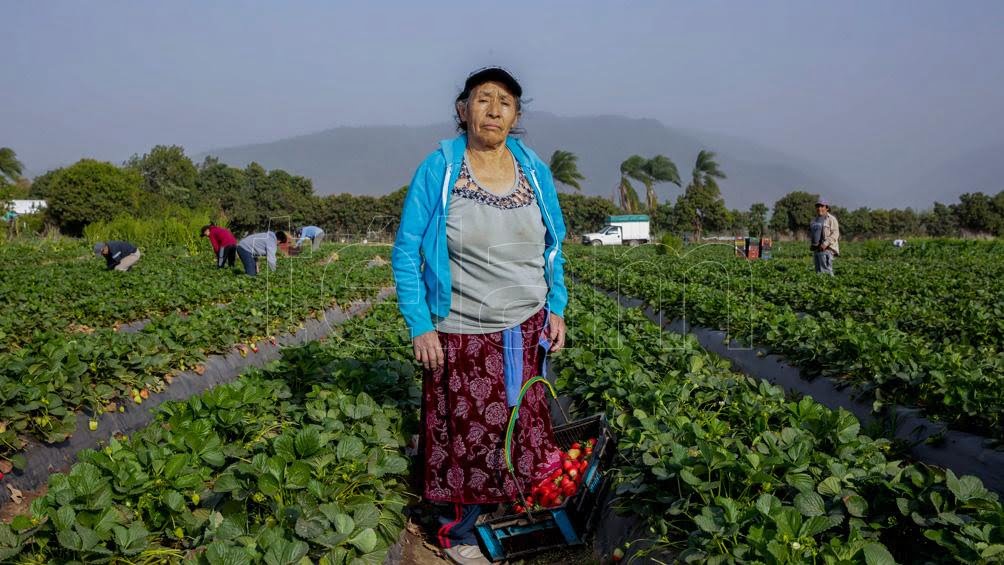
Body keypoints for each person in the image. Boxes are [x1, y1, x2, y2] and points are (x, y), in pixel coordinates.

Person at [391, 67, 568, 565]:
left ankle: (507, 507)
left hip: (526, 324)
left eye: (506, 102)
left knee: (518, 417)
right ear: (462, 109)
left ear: (516, 116)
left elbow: (554, 246)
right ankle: (459, 532)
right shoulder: (440, 168)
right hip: (462, 330)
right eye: (483, 99)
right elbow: (406, 251)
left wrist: (556, 307)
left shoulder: (533, 170)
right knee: (465, 433)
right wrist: (420, 323)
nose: (494, 110)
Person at [810, 198, 840, 275]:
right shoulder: (814, 220)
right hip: (817, 249)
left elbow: (835, 234)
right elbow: (814, 234)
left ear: (827, 208)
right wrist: (813, 244)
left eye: (822, 206)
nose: (819, 208)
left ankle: (832, 286)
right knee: (818, 272)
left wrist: (825, 244)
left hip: (827, 249)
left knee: (826, 271)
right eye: (818, 206)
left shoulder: (831, 219)